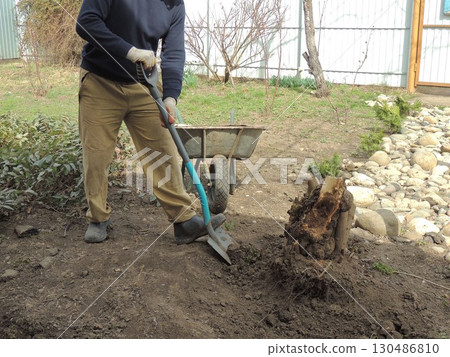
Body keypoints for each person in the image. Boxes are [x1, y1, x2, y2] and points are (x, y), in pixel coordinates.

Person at [75, 0, 225, 244]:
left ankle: (184, 221)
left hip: (143, 84)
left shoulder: (175, 5)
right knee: (97, 153)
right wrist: (130, 51)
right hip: (100, 81)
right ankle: (98, 217)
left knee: (163, 149)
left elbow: (174, 51)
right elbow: (85, 22)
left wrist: (170, 97)